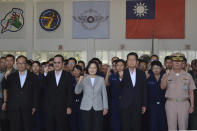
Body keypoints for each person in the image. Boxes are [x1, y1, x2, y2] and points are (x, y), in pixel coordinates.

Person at [2, 55, 39, 131]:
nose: (21, 65)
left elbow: (35, 92)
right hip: (14, 108)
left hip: (27, 107)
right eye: (19, 63)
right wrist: (5, 77)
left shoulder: (33, 77)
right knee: (14, 128)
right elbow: (4, 87)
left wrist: (34, 106)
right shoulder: (11, 76)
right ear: (16, 64)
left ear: (26, 64)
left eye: (23, 63)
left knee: (27, 127)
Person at [161, 53, 196, 130]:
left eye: (179, 61)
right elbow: (162, 87)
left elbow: (191, 91)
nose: (177, 63)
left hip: (184, 103)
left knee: (183, 126)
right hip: (171, 103)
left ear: (182, 63)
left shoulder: (187, 75)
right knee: (171, 126)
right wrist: (166, 76)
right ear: (172, 62)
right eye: (175, 61)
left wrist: (192, 105)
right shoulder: (167, 74)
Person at [75, 60, 108, 131]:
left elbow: (104, 94)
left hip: (98, 107)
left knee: (97, 127)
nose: (92, 69)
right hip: (85, 107)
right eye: (90, 68)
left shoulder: (101, 79)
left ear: (97, 69)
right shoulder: (83, 79)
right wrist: (79, 82)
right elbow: (77, 92)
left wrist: (105, 107)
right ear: (87, 69)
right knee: (86, 127)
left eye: (94, 68)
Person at [119, 52, 147, 131]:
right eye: (129, 59)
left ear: (137, 61)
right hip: (125, 104)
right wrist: (120, 78)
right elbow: (118, 89)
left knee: (137, 126)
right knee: (125, 126)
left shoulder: (141, 73)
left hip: (137, 104)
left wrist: (144, 105)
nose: (131, 61)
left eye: (133, 59)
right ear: (127, 61)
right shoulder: (122, 73)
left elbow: (144, 90)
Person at [44, 54, 72, 131]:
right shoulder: (49, 75)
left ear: (63, 63)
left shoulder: (68, 75)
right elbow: (43, 88)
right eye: (55, 62)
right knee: (50, 127)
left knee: (62, 127)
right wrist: (45, 74)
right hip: (50, 108)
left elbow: (70, 92)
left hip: (62, 108)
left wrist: (69, 106)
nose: (56, 64)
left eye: (59, 62)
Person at [106, 59, 126, 131]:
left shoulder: (128, 76)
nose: (119, 67)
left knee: (125, 120)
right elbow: (107, 84)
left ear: (125, 66)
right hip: (114, 101)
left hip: (125, 102)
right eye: (117, 65)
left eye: (121, 65)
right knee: (115, 120)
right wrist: (108, 72)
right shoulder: (113, 76)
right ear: (115, 67)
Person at [147, 61, 167, 131]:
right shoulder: (148, 77)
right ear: (151, 69)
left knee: (163, 123)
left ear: (161, 68)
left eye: (158, 68)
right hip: (151, 104)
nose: (156, 69)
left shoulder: (165, 76)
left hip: (163, 103)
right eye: (154, 68)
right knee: (153, 123)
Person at [70, 65, 83, 131]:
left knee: (81, 123)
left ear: (81, 71)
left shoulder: (84, 79)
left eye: (78, 70)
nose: (76, 72)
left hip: (82, 104)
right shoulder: (70, 79)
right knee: (73, 123)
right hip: (72, 104)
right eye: (74, 70)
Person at [188, 59, 197, 130]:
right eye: (193, 64)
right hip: (190, 98)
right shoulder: (189, 73)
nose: (194, 66)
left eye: (195, 64)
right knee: (192, 117)